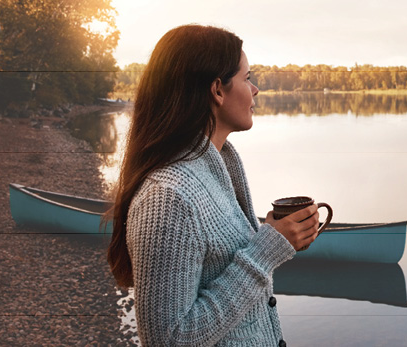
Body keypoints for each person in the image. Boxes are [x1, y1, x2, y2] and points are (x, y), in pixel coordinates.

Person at [105, 24, 320, 346]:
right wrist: (265, 251)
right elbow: (169, 340)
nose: (255, 90)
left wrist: (275, 235)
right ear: (218, 90)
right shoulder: (168, 196)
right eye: (248, 78)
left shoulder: (217, 166)